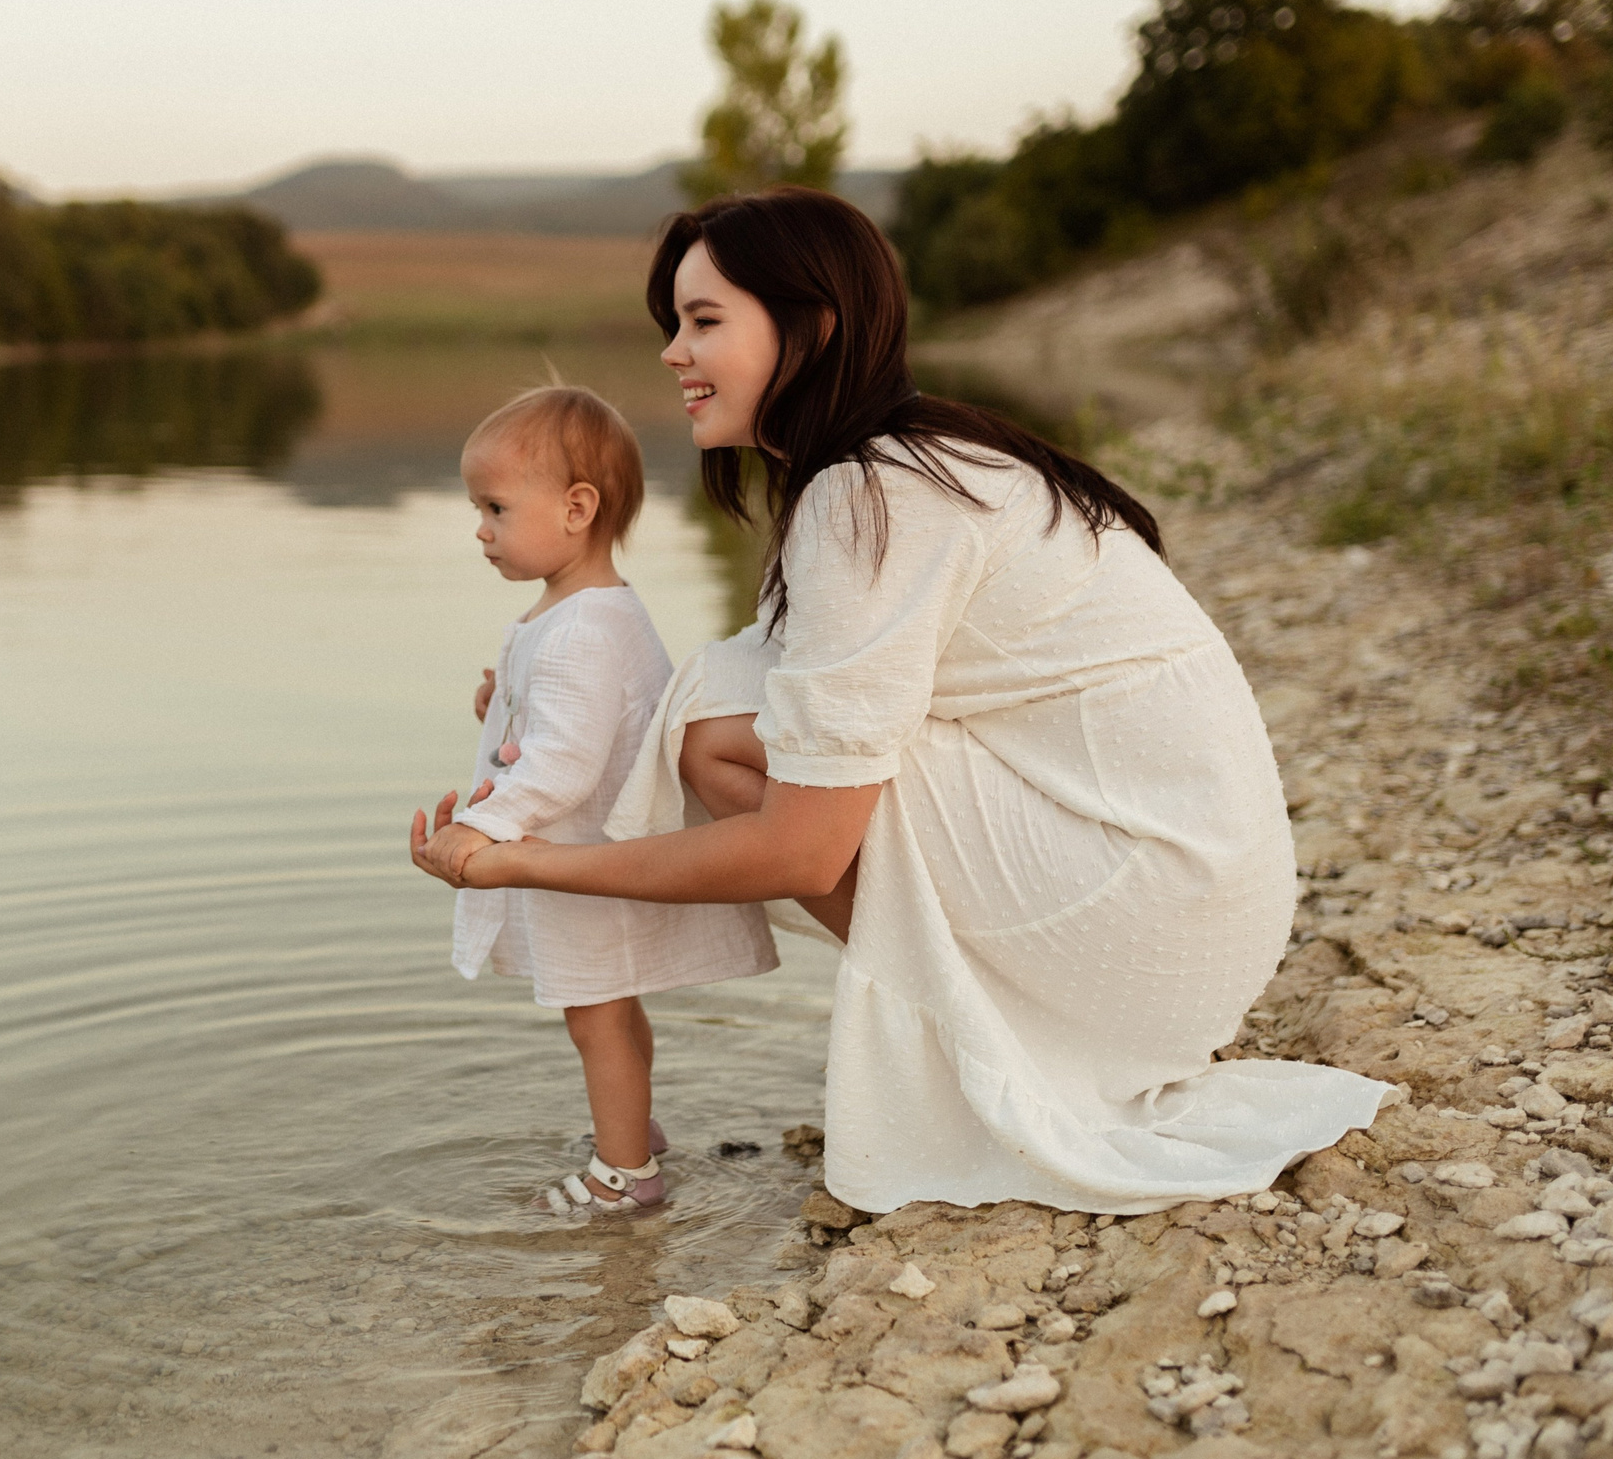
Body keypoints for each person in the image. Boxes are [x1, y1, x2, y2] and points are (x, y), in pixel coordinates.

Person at [412, 190, 1387, 1216]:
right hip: (1193, 897)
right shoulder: (915, 462)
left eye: (703, 322)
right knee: (726, 711)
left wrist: (525, 861)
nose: (670, 353)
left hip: (1152, 914)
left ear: (812, 328)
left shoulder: (871, 498)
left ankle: (1000, 1048)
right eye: (672, 324)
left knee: (718, 742)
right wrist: (537, 689)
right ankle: (1019, 1028)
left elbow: (801, 851)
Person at [414, 386, 778, 1214]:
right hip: (593, 849)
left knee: (596, 1015)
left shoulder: (581, 627)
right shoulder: (571, 612)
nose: (480, 528)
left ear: (578, 507)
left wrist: (482, 827)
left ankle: (626, 1175)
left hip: (587, 849)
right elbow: (574, 717)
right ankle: (632, 1126)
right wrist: (502, 697)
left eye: (496, 507)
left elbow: (567, 765)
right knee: (607, 1004)